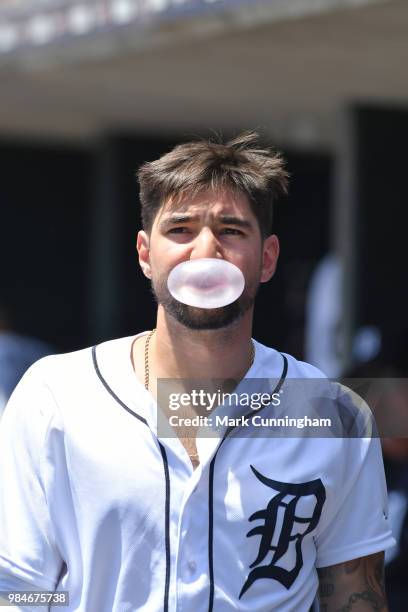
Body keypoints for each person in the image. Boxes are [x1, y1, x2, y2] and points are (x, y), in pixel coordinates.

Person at [0, 132, 395, 611]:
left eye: (231, 230)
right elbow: (15, 585)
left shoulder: (333, 413)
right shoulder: (57, 394)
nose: (205, 251)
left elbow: (356, 594)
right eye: (181, 230)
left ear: (267, 258)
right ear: (145, 254)